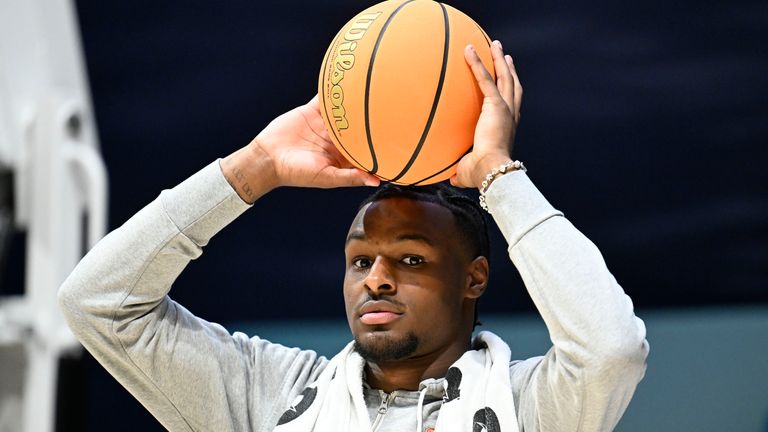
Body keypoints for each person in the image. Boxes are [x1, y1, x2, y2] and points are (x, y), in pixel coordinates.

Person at [58, 40, 648, 432]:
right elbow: (100, 305)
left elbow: (610, 349)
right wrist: (255, 166)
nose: (377, 279)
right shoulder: (270, 395)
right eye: (359, 260)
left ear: (474, 278)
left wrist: (496, 176)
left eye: (410, 259)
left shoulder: (529, 407)